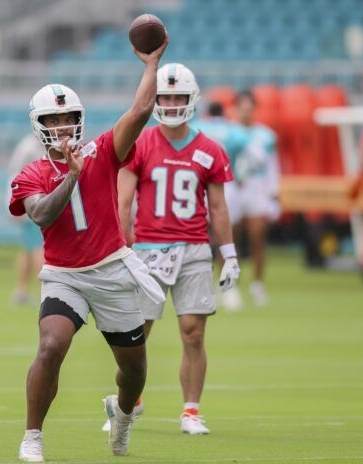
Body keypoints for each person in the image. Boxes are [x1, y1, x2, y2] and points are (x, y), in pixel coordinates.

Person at [9, 37, 168, 462]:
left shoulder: (101, 151)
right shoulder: (33, 172)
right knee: (51, 345)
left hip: (112, 269)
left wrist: (151, 64)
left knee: (134, 373)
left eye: (68, 118)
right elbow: (41, 214)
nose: (62, 127)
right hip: (64, 276)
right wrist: (71, 177)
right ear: (40, 125)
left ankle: (123, 412)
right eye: (53, 120)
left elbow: (140, 112)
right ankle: (33, 436)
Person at [114, 63, 239, 435]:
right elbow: (122, 202)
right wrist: (122, 248)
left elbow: (218, 207)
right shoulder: (141, 143)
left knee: (193, 332)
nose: (169, 103)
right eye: (164, 96)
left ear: (191, 100)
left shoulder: (209, 149)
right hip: (149, 248)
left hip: (194, 249)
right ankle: (128, 402)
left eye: (176, 97)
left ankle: (190, 410)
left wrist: (229, 253)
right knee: (135, 336)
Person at [191, 101, 254, 311]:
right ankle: (227, 286)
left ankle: (205, 283)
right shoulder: (235, 131)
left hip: (198, 183)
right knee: (225, 235)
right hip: (227, 183)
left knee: (203, 235)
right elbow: (244, 159)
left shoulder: (198, 127)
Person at [228, 92, 280, 307]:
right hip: (232, 186)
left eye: (250, 107)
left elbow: (272, 166)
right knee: (230, 239)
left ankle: (257, 285)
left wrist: (274, 194)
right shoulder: (228, 133)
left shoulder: (265, 135)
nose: (246, 111)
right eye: (243, 107)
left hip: (256, 188)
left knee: (257, 236)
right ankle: (230, 286)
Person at [7, 135, 45, 304]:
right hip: (34, 203)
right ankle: (43, 291)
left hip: (29, 202)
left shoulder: (27, 146)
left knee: (28, 249)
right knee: (39, 249)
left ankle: (21, 290)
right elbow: (17, 175)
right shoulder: (30, 148)